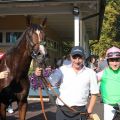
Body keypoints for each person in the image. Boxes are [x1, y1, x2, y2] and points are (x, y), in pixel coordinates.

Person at [48, 46, 99, 120]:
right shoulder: (62, 69)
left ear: (84, 57)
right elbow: (51, 82)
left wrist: (89, 111)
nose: (77, 61)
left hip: (80, 112)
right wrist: (40, 75)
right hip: (62, 111)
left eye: (80, 58)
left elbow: (94, 93)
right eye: (74, 57)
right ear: (71, 57)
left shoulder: (90, 73)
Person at [97, 46, 120, 120]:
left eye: (117, 60)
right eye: (112, 60)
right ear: (107, 61)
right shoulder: (102, 73)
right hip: (109, 107)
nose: (115, 63)